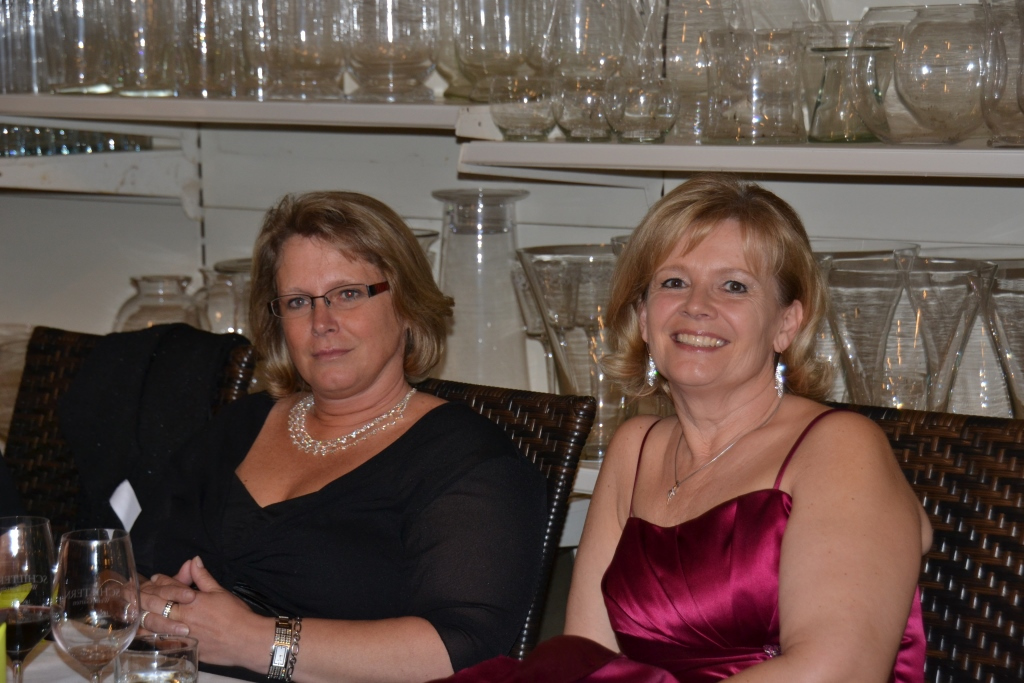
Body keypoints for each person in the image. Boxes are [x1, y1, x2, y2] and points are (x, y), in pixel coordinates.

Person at [441, 174, 931, 683]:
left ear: (786, 324)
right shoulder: (636, 448)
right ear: (643, 316)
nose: (697, 305)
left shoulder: (839, 446)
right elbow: (586, 657)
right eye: (673, 282)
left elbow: (840, 672)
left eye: (734, 286)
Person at [135, 191, 548, 683]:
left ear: (408, 305)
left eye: (348, 294)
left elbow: (462, 648)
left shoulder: (470, 461)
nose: (321, 323)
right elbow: (125, 566)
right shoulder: (239, 425)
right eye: (297, 302)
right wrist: (140, 603)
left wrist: (255, 642)